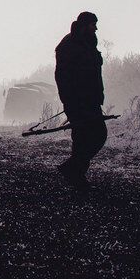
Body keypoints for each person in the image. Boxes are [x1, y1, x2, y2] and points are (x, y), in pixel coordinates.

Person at [54, 11, 106, 190]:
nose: (96, 28)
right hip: (78, 101)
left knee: (94, 136)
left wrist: (98, 95)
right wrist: (69, 100)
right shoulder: (69, 45)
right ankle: (75, 173)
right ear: (85, 25)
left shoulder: (88, 43)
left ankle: (75, 172)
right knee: (90, 136)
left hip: (91, 100)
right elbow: (62, 76)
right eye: (93, 24)